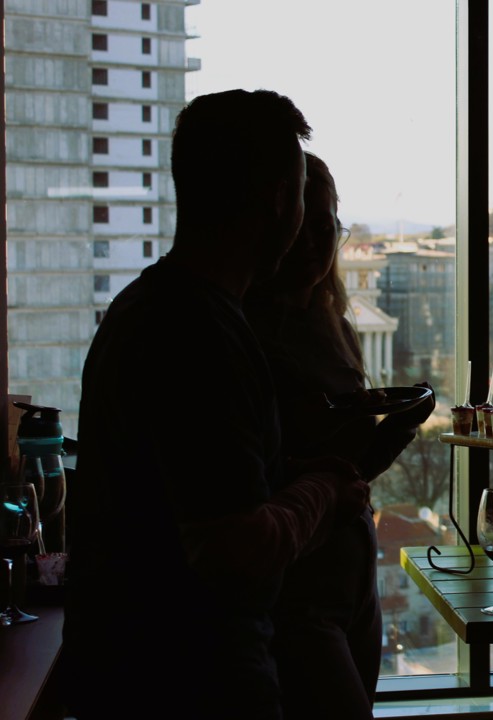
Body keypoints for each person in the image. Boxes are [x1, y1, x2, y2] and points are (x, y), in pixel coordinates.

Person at [62, 90, 370, 720]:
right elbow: (236, 551)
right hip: (193, 683)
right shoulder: (198, 335)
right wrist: (325, 488)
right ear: (281, 200)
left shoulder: (156, 310)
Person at [244, 152, 435, 719]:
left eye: (325, 227)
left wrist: (398, 427)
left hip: (354, 580)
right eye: (301, 225)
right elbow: (266, 472)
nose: (312, 242)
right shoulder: (247, 334)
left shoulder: (336, 328)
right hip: (300, 589)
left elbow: (345, 466)